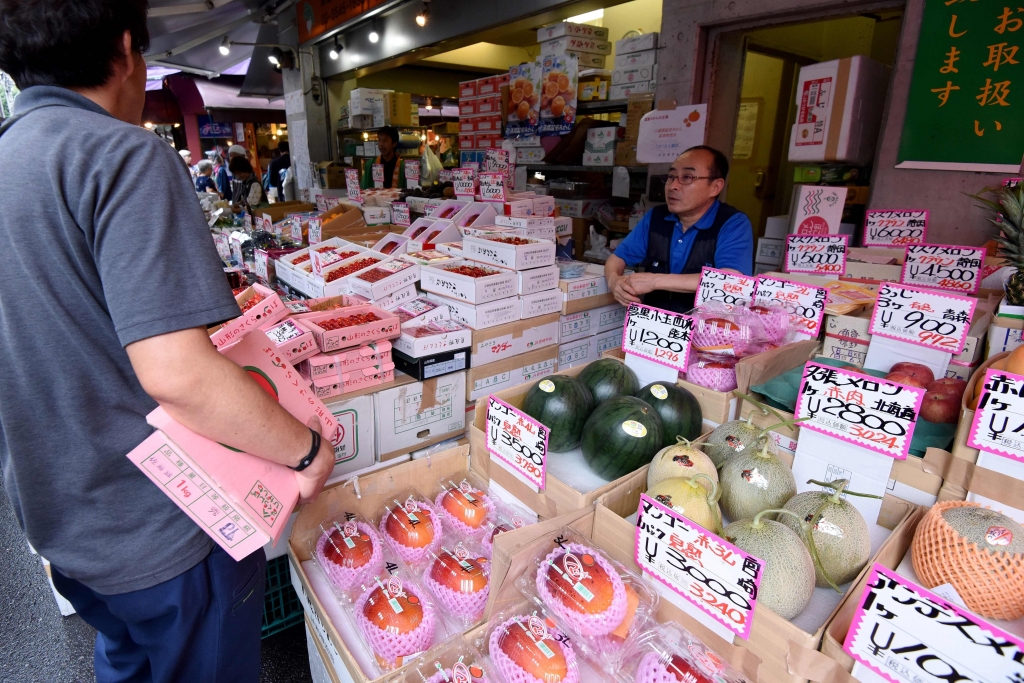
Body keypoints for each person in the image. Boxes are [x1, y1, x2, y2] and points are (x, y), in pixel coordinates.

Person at [0, 2, 334, 682]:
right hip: (167, 526)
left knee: (126, 659)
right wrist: (305, 447)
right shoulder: (120, 156)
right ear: (126, 52)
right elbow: (179, 374)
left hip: (63, 520)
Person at [605, 145, 754, 313]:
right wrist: (613, 281)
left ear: (715, 187)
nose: (673, 186)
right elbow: (617, 258)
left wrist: (655, 281)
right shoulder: (656, 217)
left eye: (687, 177)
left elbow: (730, 280)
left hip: (706, 331)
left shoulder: (733, 223)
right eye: (671, 176)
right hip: (653, 326)